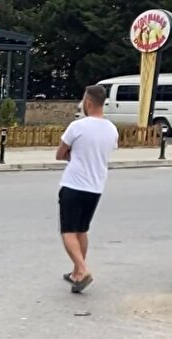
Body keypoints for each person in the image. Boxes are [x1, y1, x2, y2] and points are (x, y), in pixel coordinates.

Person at [55, 84, 118, 294]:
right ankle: (76, 272)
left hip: (74, 184)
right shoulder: (111, 129)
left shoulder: (78, 126)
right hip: (96, 186)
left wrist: (71, 154)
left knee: (68, 231)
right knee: (82, 229)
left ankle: (83, 269)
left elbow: (60, 153)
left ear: (88, 102)